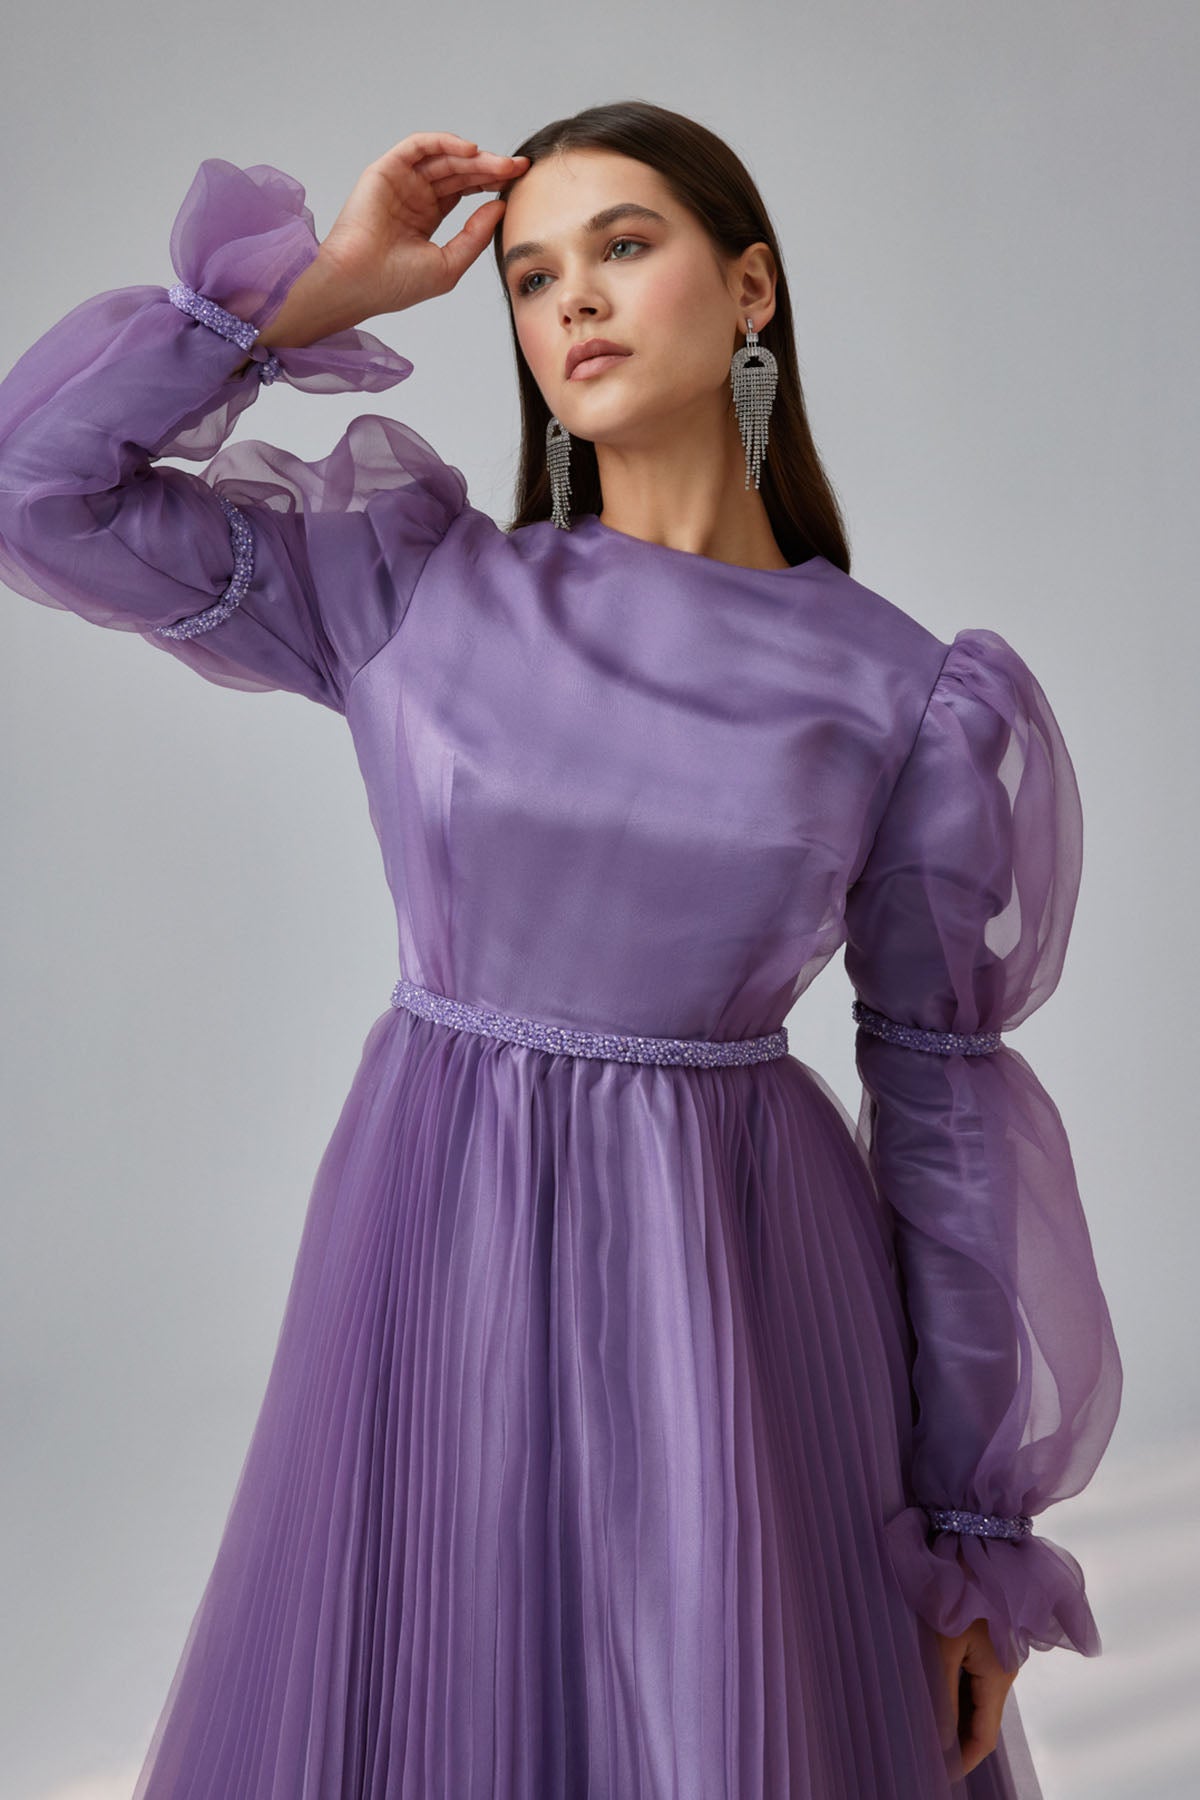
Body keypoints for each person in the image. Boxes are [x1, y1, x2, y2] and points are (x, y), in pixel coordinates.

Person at [0, 101, 1122, 1798]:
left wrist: (979, 1529)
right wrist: (306, 295)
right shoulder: (412, 584)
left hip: (736, 1284)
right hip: (431, 1246)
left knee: (720, 1705)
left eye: (624, 247)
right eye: (530, 276)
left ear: (751, 288)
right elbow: (40, 491)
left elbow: (946, 1113)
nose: (572, 299)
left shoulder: (906, 695)